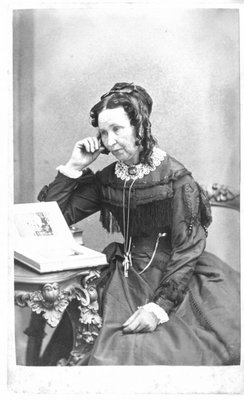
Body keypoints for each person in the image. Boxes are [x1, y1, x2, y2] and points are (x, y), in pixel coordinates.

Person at [38, 82, 240, 365]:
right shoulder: (108, 178)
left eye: (117, 129)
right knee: (87, 346)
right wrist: (74, 167)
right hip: (124, 275)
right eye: (103, 132)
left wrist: (157, 309)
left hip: (175, 278)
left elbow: (187, 249)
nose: (109, 141)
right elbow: (54, 218)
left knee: (155, 352)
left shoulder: (176, 179)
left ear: (140, 127)